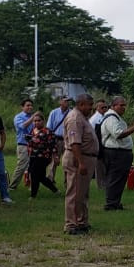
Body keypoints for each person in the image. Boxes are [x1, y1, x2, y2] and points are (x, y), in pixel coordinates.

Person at [62, 94, 100, 234]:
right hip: (78, 158)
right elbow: (75, 143)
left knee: (83, 192)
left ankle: (81, 221)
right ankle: (71, 224)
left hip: (86, 158)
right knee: (75, 192)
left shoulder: (83, 118)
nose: (91, 108)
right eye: (89, 105)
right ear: (81, 104)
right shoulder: (75, 118)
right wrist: (81, 163)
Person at [100, 97, 134, 210]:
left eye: (124, 105)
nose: (124, 107)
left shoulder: (116, 117)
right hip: (116, 153)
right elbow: (118, 134)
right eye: (121, 105)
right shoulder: (111, 118)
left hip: (120, 153)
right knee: (115, 178)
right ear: (113, 106)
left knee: (120, 179)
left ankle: (115, 202)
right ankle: (111, 204)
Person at [26, 112, 59, 198]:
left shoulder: (48, 132)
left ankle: (33, 195)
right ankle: (55, 190)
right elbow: (31, 143)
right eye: (35, 121)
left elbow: (53, 145)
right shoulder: (32, 130)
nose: (36, 122)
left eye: (39, 120)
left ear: (43, 121)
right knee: (41, 177)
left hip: (43, 156)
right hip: (33, 155)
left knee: (34, 174)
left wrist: (55, 156)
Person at [8, 98, 34, 191]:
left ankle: (32, 186)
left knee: (33, 166)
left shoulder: (34, 118)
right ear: (22, 107)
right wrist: (33, 118)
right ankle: (12, 186)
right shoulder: (18, 117)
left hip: (33, 144)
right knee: (21, 166)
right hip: (23, 144)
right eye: (27, 105)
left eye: (31, 105)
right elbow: (22, 126)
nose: (30, 107)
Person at [45, 96, 71, 185]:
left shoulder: (72, 113)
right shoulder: (54, 112)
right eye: (66, 101)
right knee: (54, 161)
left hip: (68, 140)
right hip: (56, 139)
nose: (67, 102)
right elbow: (49, 128)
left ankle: (67, 181)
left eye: (68, 101)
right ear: (60, 102)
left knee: (67, 162)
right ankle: (50, 180)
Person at [89, 99, 110, 192]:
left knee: (105, 165)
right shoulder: (94, 119)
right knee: (99, 166)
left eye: (106, 107)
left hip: (104, 144)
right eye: (102, 107)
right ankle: (100, 184)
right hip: (97, 144)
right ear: (97, 108)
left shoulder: (105, 116)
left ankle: (105, 183)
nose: (104, 109)